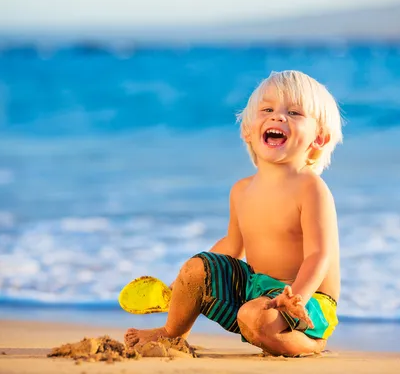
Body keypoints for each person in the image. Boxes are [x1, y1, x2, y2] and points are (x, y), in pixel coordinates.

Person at [125, 70, 343, 356]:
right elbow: (232, 246)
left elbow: (319, 256)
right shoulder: (241, 190)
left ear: (319, 138)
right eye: (267, 109)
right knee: (198, 267)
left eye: (294, 112)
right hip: (256, 290)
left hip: (308, 299)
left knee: (253, 319)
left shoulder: (311, 188)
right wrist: (184, 282)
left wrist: (297, 298)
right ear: (248, 130)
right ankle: (172, 334)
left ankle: (311, 343)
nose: (278, 117)